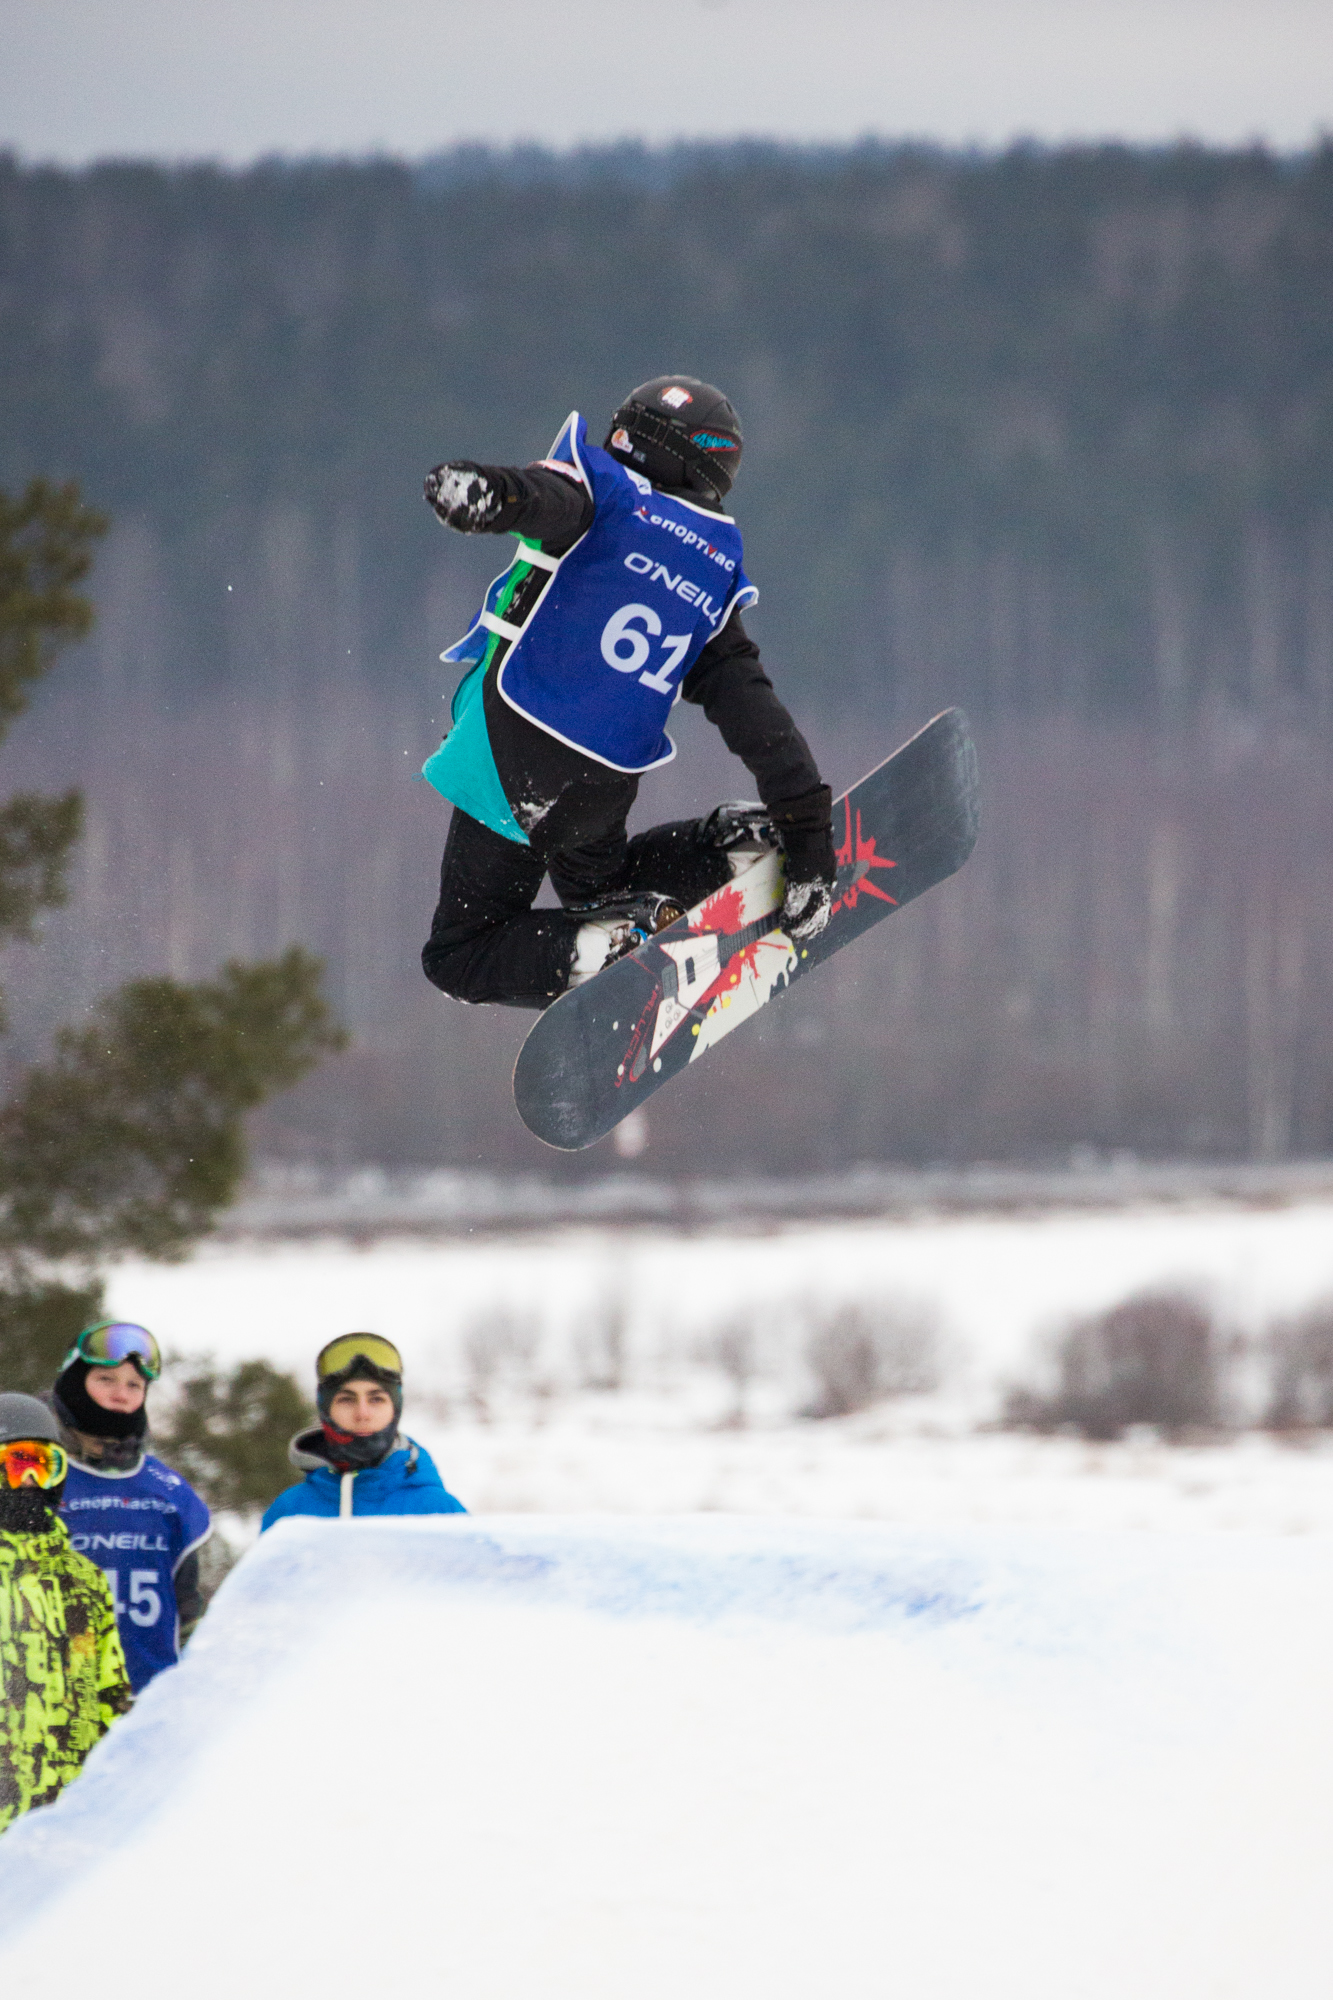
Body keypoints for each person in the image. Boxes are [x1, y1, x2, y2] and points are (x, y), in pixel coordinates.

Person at [419, 375, 837, 1009]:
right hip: (600, 787)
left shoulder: (609, 495)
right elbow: (756, 716)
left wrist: (491, 493)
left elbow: (546, 500)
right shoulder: (713, 566)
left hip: (514, 760)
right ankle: (730, 857)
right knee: (598, 888)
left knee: (459, 953)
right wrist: (806, 834)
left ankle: (606, 947)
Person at [53, 1321, 212, 1697]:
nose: (120, 1394)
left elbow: (188, 1609)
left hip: (148, 1705)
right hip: (52, 1705)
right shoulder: (36, 1476)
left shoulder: (169, 1493)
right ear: (75, 1382)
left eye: (133, 1385)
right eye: (105, 1380)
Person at [0, 1392, 131, 1834]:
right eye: (20, 1463)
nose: (32, 1480)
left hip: (64, 1828)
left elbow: (111, 1699)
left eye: (47, 1464)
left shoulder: (83, 1580)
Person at [261, 1333, 467, 1528]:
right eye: (346, 1400)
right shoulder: (290, 1514)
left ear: (395, 1408)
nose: (363, 1414)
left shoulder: (439, 1512)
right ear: (325, 1409)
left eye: (376, 1399)